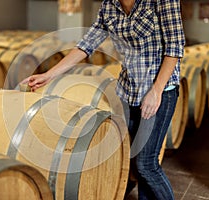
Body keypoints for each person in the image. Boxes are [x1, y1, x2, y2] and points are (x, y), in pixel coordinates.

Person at [22, 0, 185, 199]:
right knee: (133, 159)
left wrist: (157, 90)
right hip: (129, 91)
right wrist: (48, 75)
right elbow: (86, 45)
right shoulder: (110, 5)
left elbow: (175, 47)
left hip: (159, 91)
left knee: (146, 163)